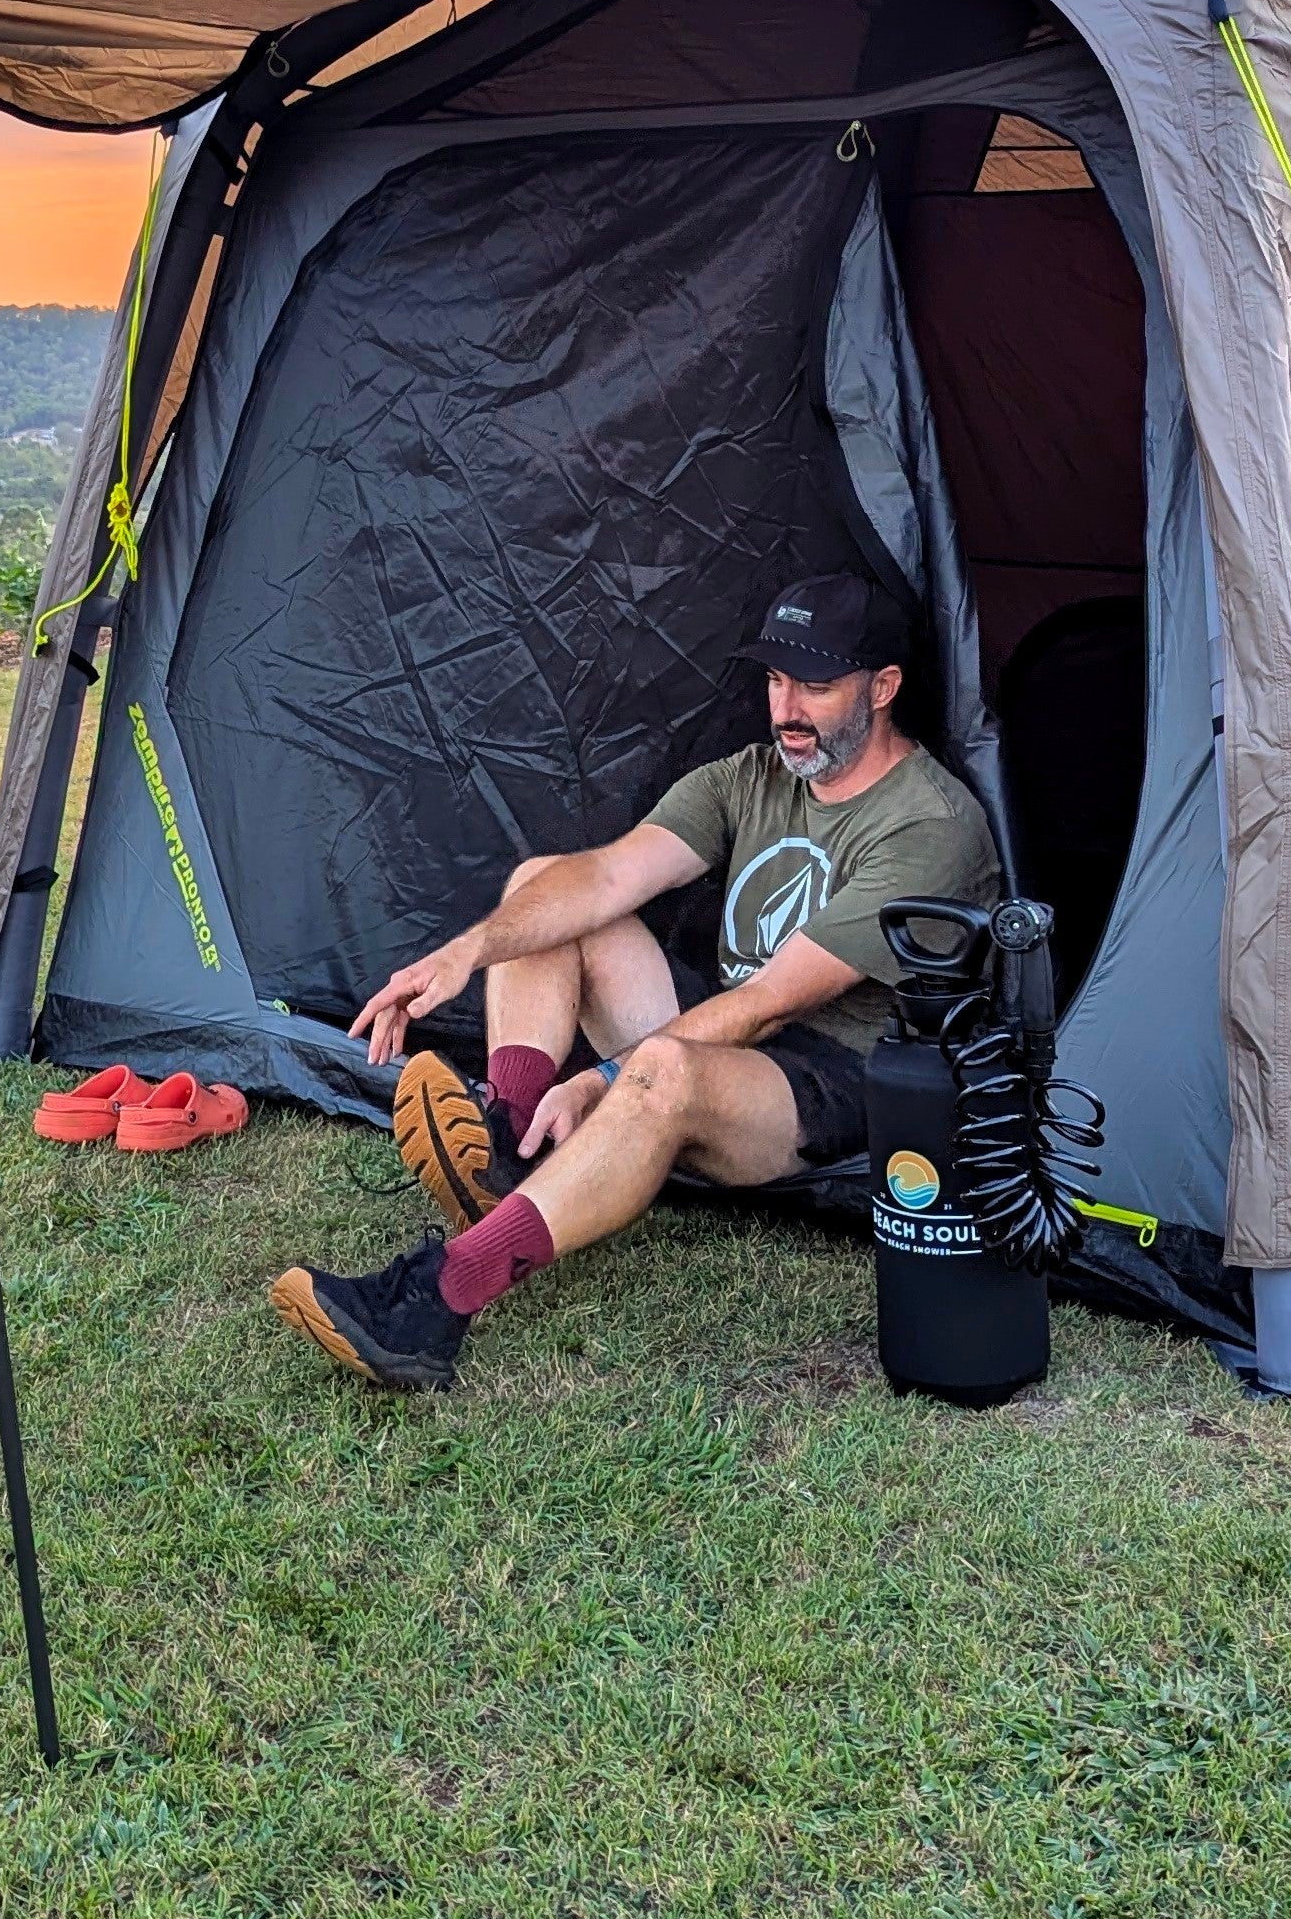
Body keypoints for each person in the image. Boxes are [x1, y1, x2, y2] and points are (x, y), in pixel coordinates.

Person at [271, 572, 1003, 1391]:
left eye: (817, 686)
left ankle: (437, 1301)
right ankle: (510, 1152)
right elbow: (608, 878)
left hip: (834, 1081)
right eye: (774, 680)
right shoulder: (751, 775)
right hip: (728, 1031)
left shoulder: (929, 824)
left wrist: (604, 1081)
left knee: (660, 1071)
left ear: (885, 687)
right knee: (546, 889)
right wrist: (463, 956)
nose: (787, 709)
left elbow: (771, 1003)